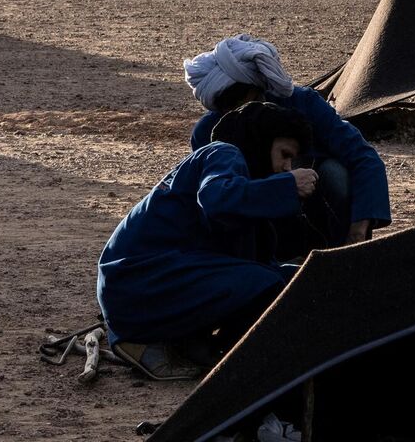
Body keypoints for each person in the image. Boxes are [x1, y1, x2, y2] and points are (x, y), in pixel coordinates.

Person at [97, 102, 315, 379]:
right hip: (137, 285)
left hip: (141, 287)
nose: (286, 167)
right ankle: (224, 360)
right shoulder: (224, 154)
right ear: (260, 141)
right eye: (284, 155)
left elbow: (251, 260)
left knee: (282, 280)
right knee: (265, 284)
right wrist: (288, 185)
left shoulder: (242, 182)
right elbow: (215, 198)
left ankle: (198, 348)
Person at [185, 34, 389, 246]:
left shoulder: (302, 104)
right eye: (228, 109)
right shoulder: (208, 132)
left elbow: (364, 158)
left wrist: (358, 230)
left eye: (243, 103)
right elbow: (211, 198)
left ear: (259, 92)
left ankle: (340, 251)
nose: (237, 114)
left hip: (314, 211)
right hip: (253, 219)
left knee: (333, 173)